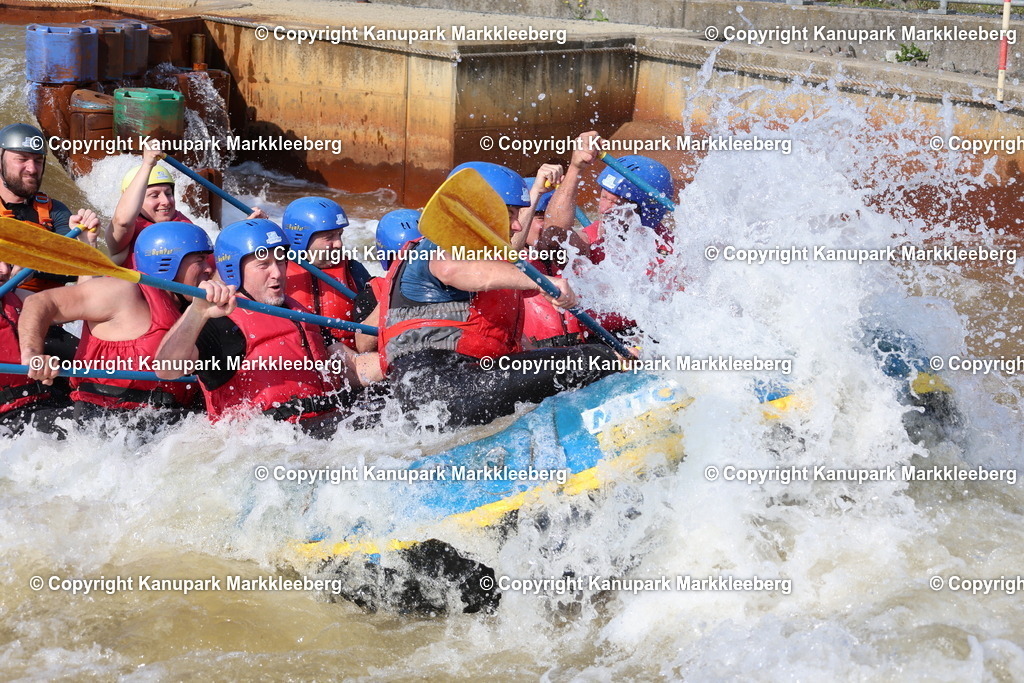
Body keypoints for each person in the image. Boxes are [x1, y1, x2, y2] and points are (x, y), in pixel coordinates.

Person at [375, 161, 621, 429]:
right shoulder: (440, 245)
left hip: (453, 386)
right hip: (441, 387)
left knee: (570, 360)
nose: (517, 226)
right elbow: (451, 269)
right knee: (593, 358)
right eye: (511, 214)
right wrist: (542, 282)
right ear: (478, 210)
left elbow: (505, 256)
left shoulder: (470, 251)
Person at [153, 219, 372, 433]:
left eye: (280, 261)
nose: (277, 273)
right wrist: (196, 313)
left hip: (321, 425)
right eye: (263, 264)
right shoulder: (220, 322)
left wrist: (389, 361)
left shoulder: (297, 313)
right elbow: (167, 369)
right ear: (234, 270)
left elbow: (352, 367)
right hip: (264, 439)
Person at [19, 222, 213, 422]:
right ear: (167, 262)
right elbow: (40, 302)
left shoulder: (194, 308)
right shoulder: (123, 291)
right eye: (200, 260)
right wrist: (32, 354)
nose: (209, 268)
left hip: (169, 419)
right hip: (107, 418)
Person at [543, 132, 676, 335]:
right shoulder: (590, 240)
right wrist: (575, 168)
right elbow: (554, 237)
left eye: (615, 203)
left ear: (645, 211)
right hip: (596, 343)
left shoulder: (671, 251)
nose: (604, 209)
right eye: (603, 197)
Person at [106, 142, 265, 266]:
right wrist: (147, 165)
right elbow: (122, 220)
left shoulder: (180, 222)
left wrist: (246, 229)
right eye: (154, 195)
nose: (165, 201)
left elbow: (218, 260)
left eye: (168, 193)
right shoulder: (123, 237)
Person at [0, 123, 100, 291]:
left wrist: (34, 267)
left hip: (43, 302)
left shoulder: (55, 211)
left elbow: (73, 268)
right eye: (22, 159)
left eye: (38, 161)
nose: (32, 169)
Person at [281, 196, 370, 349]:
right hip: (296, 357)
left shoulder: (354, 270)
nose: (339, 244)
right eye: (329, 237)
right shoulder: (275, 273)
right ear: (300, 239)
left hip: (347, 356)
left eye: (340, 234)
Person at [519, 169, 589, 349]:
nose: (548, 226)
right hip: (537, 354)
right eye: (541, 218)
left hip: (583, 347)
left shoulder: (573, 250)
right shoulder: (500, 260)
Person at [0, 260, 71, 434]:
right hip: (9, 419)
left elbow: (90, 303)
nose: (5, 270)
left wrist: (88, 250)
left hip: (47, 399)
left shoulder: (19, 298)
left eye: (8, 262)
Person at [352, 208, 422, 353]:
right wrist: (393, 294)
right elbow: (363, 346)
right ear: (388, 259)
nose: (414, 263)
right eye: (406, 257)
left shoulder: (452, 284)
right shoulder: (371, 295)